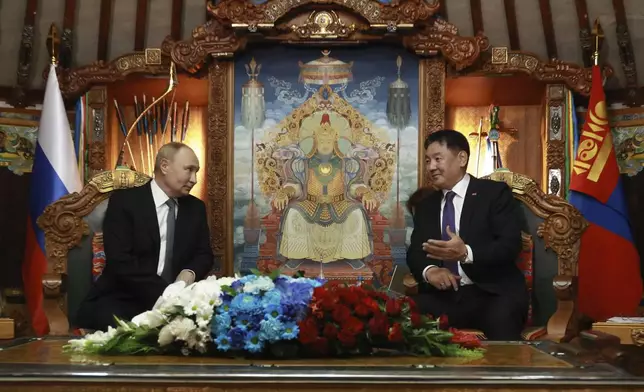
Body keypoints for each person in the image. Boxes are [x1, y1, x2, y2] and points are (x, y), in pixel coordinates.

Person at [76, 142, 214, 331]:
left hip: (180, 302)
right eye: (189, 170)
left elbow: (203, 255)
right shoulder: (125, 202)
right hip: (124, 297)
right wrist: (165, 294)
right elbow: (120, 261)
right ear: (165, 166)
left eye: (196, 172)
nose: (194, 179)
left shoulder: (195, 208)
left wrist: (188, 274)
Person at [406, 129, 527, 340]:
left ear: (461, 158)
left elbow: (509, 245)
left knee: (502, 321)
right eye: (427, 161)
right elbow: (415, 252)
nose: (431, 167)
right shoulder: (427, 206)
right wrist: (430, 271)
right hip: (445, 297)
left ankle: (504, 372)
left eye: (437, 159)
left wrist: (466, 253)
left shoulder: (493, 194)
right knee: (402, 316)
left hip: (492, 294)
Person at [273, 113, 376, 270]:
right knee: (293, 212)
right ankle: (296, 255)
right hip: (310, 203)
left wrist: (365, 192)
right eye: (322, 140)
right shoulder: (303, 164)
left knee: (356, 212)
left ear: (335, 141)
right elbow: (296, 185)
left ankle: (353, 256)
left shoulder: (347, 164)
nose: (325, 144)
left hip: (340, 203)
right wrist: (285, 191)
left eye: (328, 140)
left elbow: (355, 185)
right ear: (315, 141)